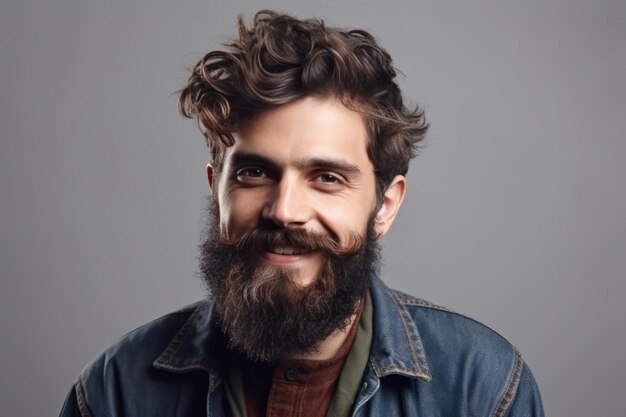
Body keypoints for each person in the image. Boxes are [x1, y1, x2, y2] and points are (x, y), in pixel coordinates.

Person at [59, 10, 544, 417]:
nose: (285, 211)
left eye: (327, 178)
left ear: (385, 205)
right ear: (216, 190)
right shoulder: (115, 391)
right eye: (254, 173)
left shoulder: (483, 387)